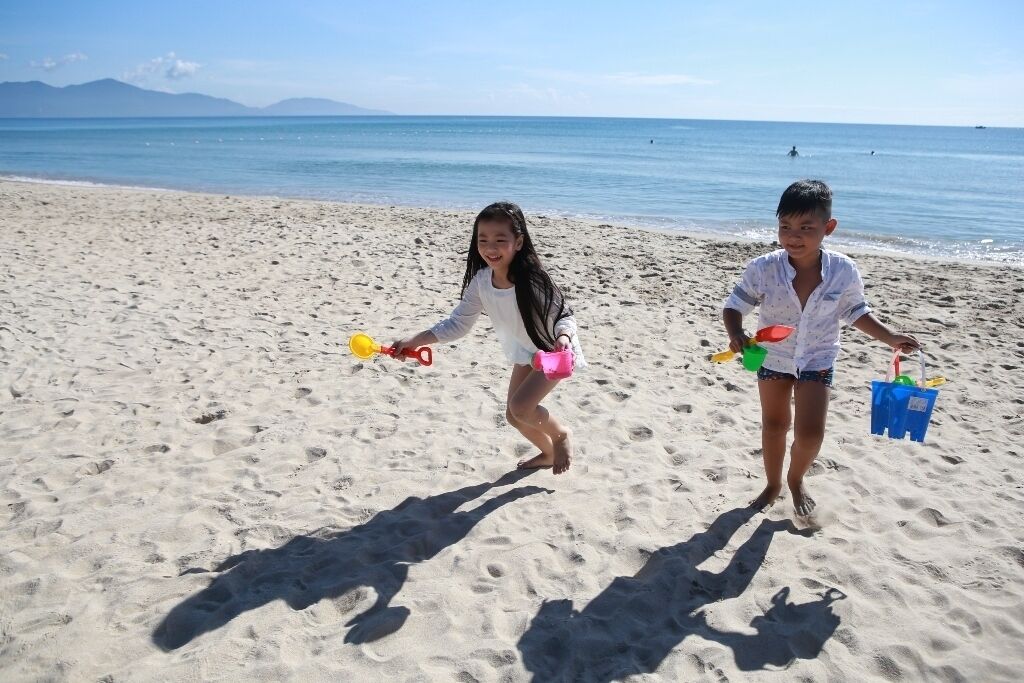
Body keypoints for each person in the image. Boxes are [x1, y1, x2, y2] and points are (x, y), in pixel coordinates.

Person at [722, 180, 919, 515]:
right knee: (774, 425)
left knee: (811, 434)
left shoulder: (843, 270)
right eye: (785, 226)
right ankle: (772, 484)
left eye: (806, 228)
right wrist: (737, 331)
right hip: (771, 356)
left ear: (828, 227)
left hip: (818, 358)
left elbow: (855, 312)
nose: (793, 236)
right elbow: (733, 306)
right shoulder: (764, 268)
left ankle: (796, 478)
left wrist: (889, 337)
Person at [393, 202, 584, 475]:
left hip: (555, 352)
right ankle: (548, 452)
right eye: (483, 240)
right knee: (513, 416)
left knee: (521, 407)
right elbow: (458, 323)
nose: (490, 248)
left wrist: (564, 337)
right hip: (527, 352)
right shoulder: (482, 282)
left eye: (499, 240)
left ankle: (562, 434)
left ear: (518, 243)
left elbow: (565, 316)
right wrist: (415, 340)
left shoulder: (534, 281)